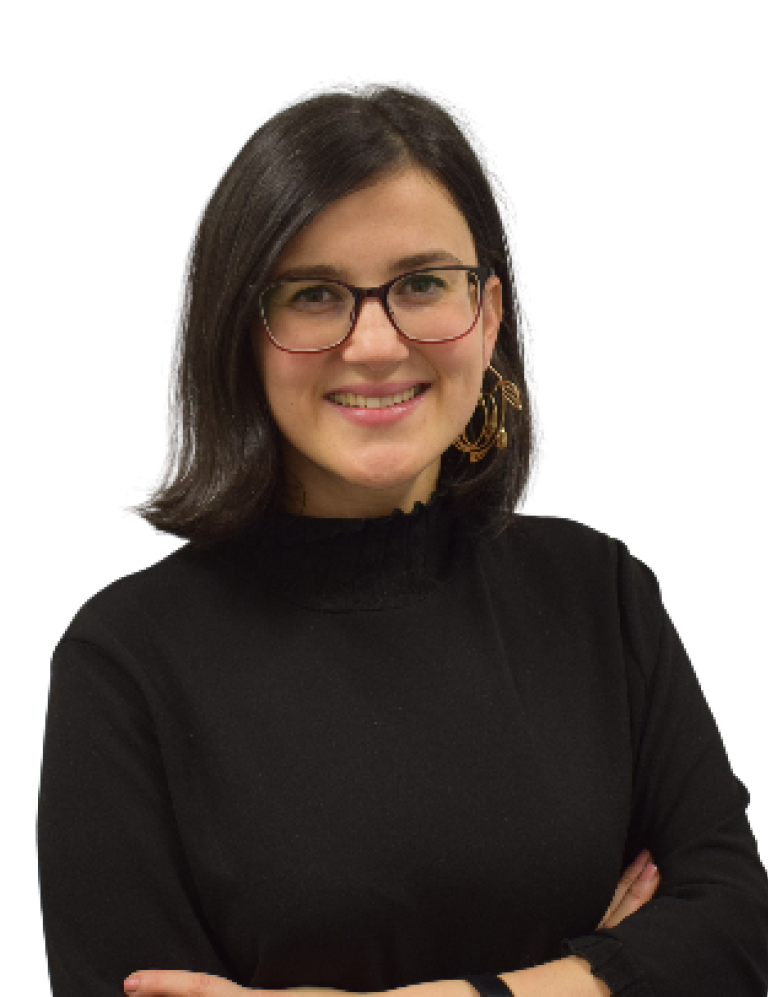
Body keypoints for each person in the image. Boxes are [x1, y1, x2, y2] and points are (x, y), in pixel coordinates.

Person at [36, 85, 768, 997]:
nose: (376, 344)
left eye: (422, 284)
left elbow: (737, 936)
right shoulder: (129, 660)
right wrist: (604, 973)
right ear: (240, 335)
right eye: (314, 295)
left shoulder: (597, 594)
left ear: (489, 313)